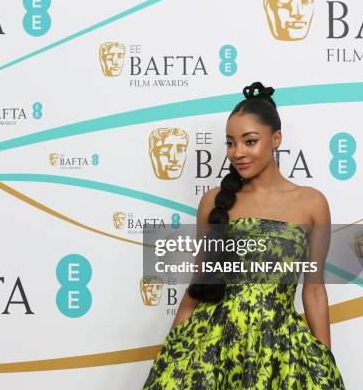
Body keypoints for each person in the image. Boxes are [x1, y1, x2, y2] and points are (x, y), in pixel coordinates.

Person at [143, 82, 346, 389]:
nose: (237, 153)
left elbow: (314, 291)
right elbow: (200, 282)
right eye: (230, 143)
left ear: (276, 139)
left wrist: (324, 361)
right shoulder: (213, 201)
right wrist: (172, 348)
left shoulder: (311, 204)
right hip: (210, 346)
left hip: (278, 350)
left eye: (249, 141)